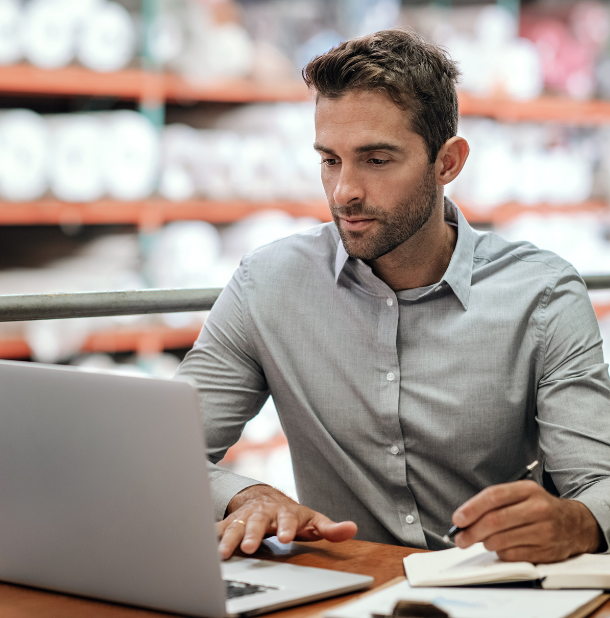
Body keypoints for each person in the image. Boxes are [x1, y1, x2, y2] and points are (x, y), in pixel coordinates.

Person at [177, 28, 610, 564]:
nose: (343, 192)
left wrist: (577, 521)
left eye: (376, 160)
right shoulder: (267, 285)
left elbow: (598, 484)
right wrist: (241, 496)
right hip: (341, 589)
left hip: (495, 595)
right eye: (330, 160)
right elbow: (164, 455)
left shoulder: (542, 297)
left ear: (447, 162)